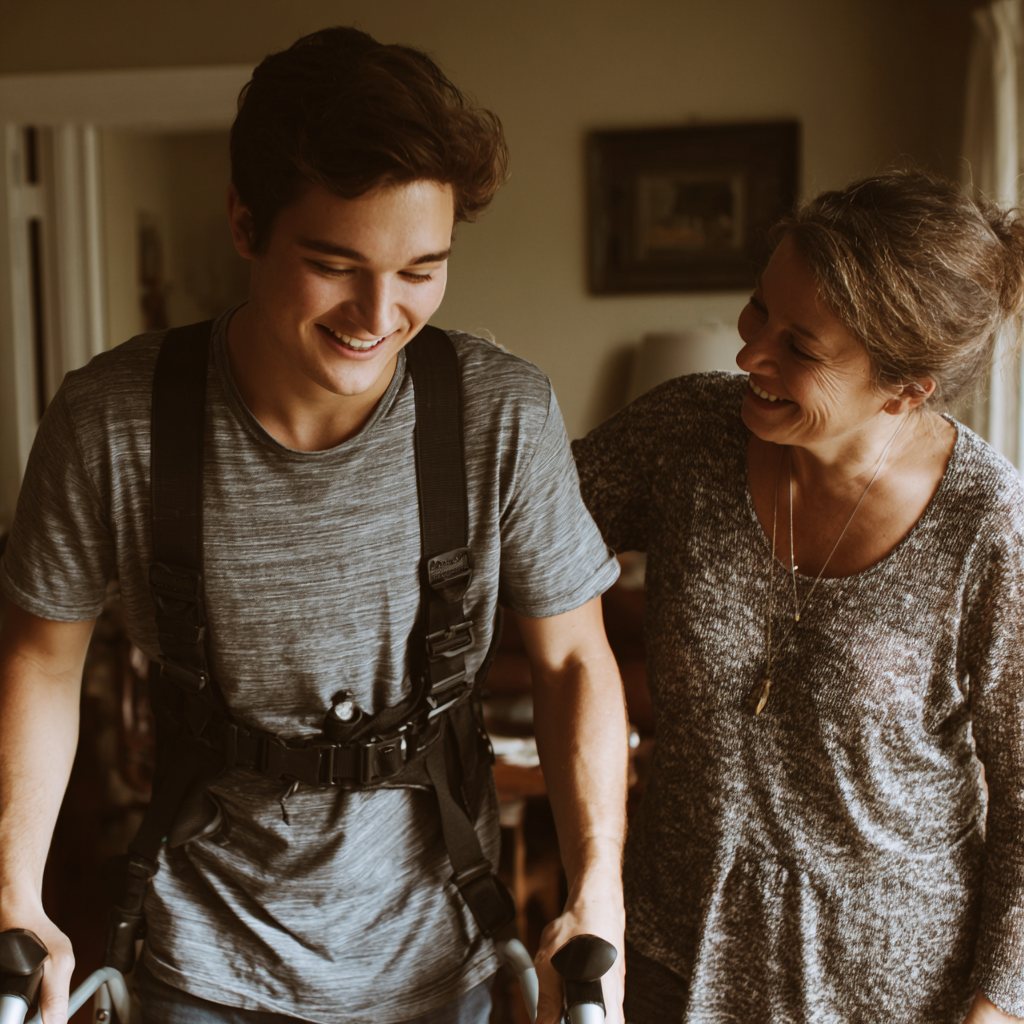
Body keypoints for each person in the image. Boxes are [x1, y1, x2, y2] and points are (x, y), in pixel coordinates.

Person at [0, 27, 628, 1024]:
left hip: (442, 956)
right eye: (335, 265)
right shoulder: (111, 420)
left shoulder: (498, 412)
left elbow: (572, 665)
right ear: (244, 224)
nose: (378, 313)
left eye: (423, 268)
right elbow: (40, 660)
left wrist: (598, 888)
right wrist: (16, 890)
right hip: (197, 958)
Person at [572, 170, 1024, 1024]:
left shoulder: (988, 523)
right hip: (672, 952)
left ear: (908, 386)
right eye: (757, 311)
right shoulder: (685, 434)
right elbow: (513, 535)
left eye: (801, 348)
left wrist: (999, 1004)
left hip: (894, 989)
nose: (750, 354)